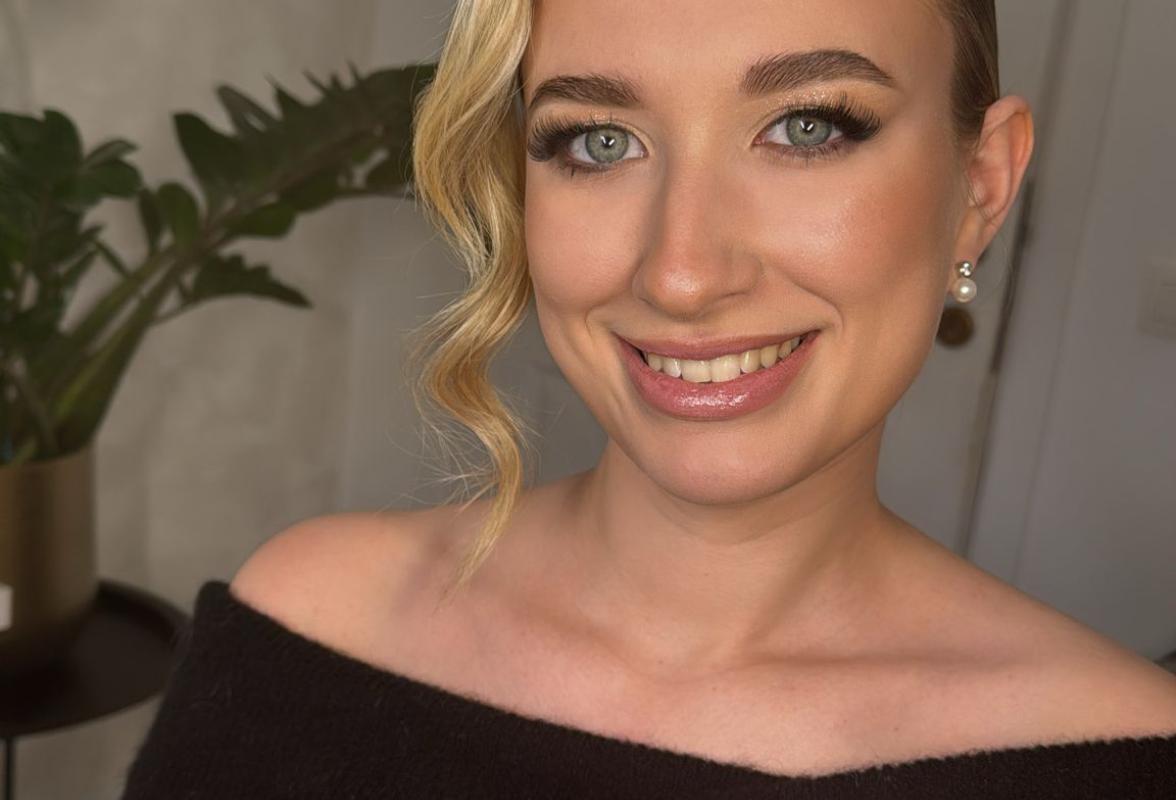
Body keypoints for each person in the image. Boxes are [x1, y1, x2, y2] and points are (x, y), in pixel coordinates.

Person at [121, 0, 1176, 797]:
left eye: (808, 127)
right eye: (598, 140)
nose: (681, 273)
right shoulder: (312, 620)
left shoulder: (1126, 754)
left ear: (981, 184)